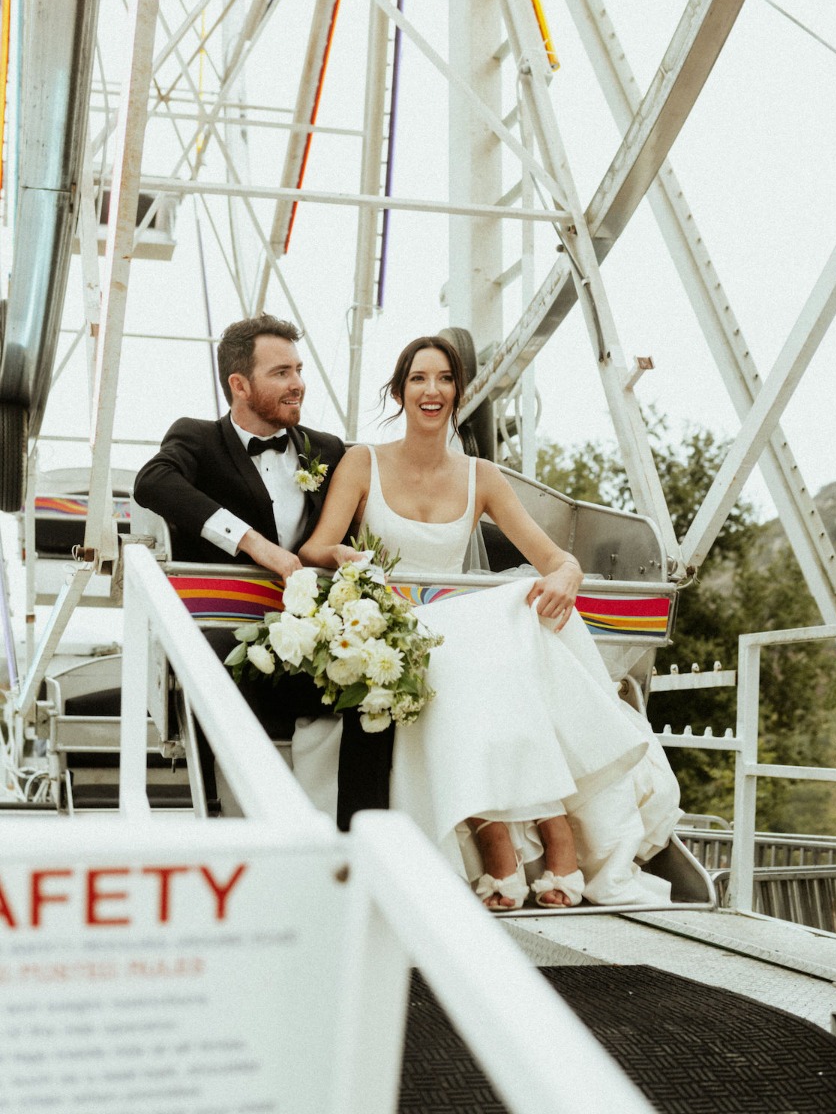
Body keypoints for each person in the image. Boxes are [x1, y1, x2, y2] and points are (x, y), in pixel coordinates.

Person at [299, 335, 682, 909]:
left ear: (458, 393)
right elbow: (315, 548)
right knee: (475, 657)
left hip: (462, 622)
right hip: (398, 625)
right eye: (419, 379)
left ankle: (539, 839)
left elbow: (557, 559)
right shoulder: (363, 462)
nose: (432, 391)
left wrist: (565, 577)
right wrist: (344, 558)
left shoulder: (483, 476)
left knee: (500, 630)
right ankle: (523, 841)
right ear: (400, 391)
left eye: (445, 380)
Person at [133, 314, 392, 827]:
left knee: (377, 688)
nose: (297, 382)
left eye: (298, 369)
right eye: (281, 372)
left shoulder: (329, 449)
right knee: (214, 670)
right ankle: (237, 831)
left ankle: (360, 836)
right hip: (228, 638)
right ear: (239, 384)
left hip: (317, 636)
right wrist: (254, 545)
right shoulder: (198, 439)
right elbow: (153, 482)